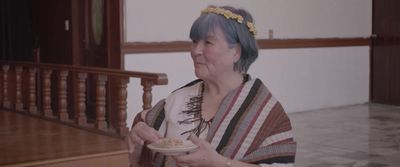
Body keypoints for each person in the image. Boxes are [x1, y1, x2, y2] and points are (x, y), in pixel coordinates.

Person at [126, 5, 296, 167]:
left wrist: (219, 163)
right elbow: (141, 158)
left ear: (236, 52)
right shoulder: (177, 100)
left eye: (208, 42)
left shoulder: (265, 112)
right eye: (194, 41)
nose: (195, 50)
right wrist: (137, 144)